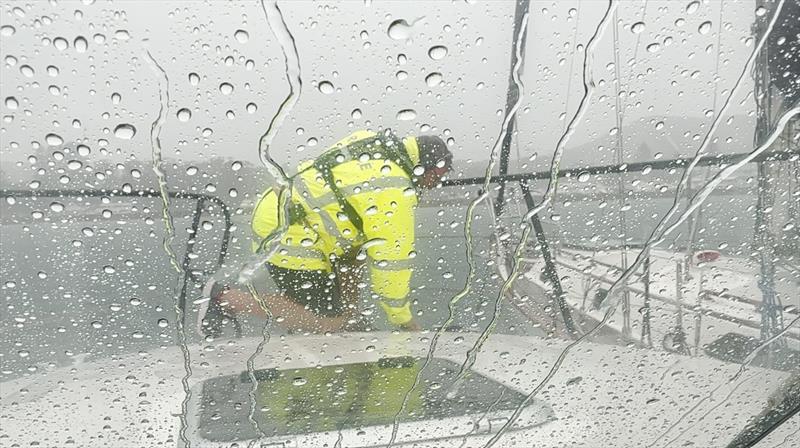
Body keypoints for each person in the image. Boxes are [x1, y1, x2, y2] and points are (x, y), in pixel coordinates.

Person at [200, 129, 452, 336]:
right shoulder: (393, 188)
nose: (434, 185)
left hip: (288, 213)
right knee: (326, 320)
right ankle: (223, 297)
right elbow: (392, 265)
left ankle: (349, 322)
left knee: (356, 253)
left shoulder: (373, 144)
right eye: (436, 178)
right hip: (288, 232)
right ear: (427, 167)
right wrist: (405, 324)